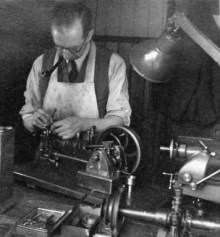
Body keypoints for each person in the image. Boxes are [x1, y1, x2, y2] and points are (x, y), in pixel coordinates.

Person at [20, 1, 131, 140]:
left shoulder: (113, 64)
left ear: (89, 35)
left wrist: (84, 124)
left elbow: (120, 119)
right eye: (59, 46)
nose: (65, 54)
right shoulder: (42, 62)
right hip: (50, 153)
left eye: (74, 48)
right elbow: (28, 114)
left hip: (95, 154)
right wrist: (32, 121)